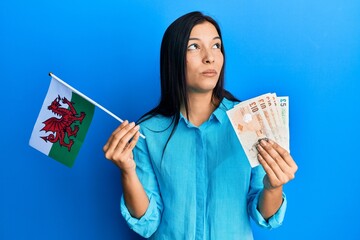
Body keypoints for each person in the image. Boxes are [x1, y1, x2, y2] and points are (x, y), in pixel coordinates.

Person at [103, 11, 298, 239]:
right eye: (194, 47)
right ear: (173, 57)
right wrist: (127, 172)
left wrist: (274, 187)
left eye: (216, 46)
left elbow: (264, 216)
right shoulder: (148, 132)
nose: (210, 57)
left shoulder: (250, 121)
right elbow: (148, 221)